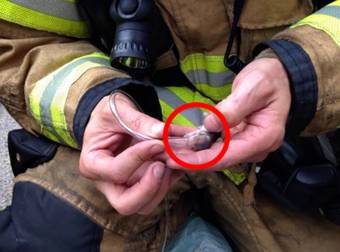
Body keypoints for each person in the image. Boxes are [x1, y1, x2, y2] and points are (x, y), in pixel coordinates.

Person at [0, 0, 340, 251]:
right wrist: (92, 101)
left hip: (307, 152)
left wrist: (302, 72)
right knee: (51, 232)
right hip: (135, 149)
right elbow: (22, 43)